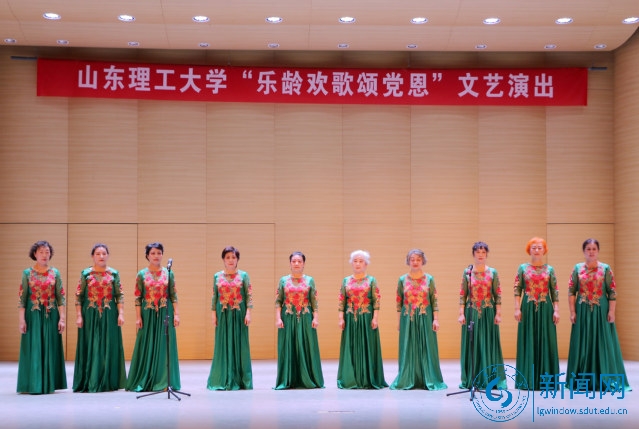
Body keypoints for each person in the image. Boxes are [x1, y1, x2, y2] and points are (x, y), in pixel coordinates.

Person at [566, 238, 631, 391]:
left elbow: (612, 292)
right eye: (588, 249)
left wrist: (612, 311)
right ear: (584, 251)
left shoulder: (605, 269)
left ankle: (606, 378)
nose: (591, 252)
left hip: (601, 311)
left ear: (598, 251)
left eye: (594, 249)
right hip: (582, 311)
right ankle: (581, 379)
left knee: (604, 342)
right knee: (582, 343)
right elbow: (571, 291)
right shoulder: (577, 269)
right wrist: (572, 312)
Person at [126, 242, 181, 392]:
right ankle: (146, 378)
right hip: (148, 313)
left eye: (159, 253)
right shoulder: (141, 274)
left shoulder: (168, 273)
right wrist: (138, 317)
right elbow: (138, 297)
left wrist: (177, 314)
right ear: (147, 256)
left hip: (165, 312)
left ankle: (163, 381)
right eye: (153, 253)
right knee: (147, 344)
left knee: (164, 346)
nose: (156, 256)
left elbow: (173, 295)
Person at [73, 243, 126, 392]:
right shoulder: (85, 274)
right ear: (92, 256)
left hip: (110, 314)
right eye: (98, 254)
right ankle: (90, 379)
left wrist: (121, 313)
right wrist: (79, 316)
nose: (101, 256)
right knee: (92, 345)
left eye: (104, 253)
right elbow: (78, 296)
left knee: (109, 345)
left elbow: (119, 295)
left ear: (108, 255)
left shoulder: (114, 274)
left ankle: (109, 380)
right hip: (90, 314)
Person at [390, 249, 446, 390]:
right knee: (408, 347)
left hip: (425, 318)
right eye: (412, 259)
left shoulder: (429, 279)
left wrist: (436, 319)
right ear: (408, 261)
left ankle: (429, 378)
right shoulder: (402, 280)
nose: (415, 262)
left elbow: (434, 301)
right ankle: (408, 378)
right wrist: (399, 322)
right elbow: (399, 303)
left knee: (427, 348)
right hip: (407, 318)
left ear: (423, 261)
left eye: (418, 259)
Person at [17, 240, 67, 394]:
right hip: (33, 316)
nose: (44, 255)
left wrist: (62, 318)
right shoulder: (27, 273)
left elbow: (61, 297)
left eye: (47, 252)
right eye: (41, 252)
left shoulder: (55, 273)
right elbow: (22, 298)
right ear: (35, 254)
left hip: (51, 315)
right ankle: (33, 383)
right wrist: (22, 320)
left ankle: (49, 383)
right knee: (34, 348)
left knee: (50, 347)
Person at [458, 241, 506, 390]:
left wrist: (498, 313)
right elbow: (463, 294)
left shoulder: (493, 272)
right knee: (472, 345)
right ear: (473, 254)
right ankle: (472, 378)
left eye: (483, 252)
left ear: (486, 255)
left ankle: (489, 378)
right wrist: (461, 313)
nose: (480, 255)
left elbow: (497, 294)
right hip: (471, 311)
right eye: (478, 252)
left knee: (489, 344)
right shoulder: (467, 272)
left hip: (488, 312)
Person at [513, 237, 559, 390]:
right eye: (534, 248)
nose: (537, 250)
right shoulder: (523, 268)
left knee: (546, 340)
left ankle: (546, 380)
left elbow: (554, 291)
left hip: (546, 308)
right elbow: (517, 289)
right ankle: (527, 379)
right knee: (528, 340)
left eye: (540, 247)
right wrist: (517, 308)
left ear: (544, 250)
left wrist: (556, 310)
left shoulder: (550, 269)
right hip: (527, 308)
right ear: (529, 250)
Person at [337, 250, 387, 389]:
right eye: (355, 261)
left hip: (366, 318)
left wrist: (375, 318)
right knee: (351, 346)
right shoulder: (346, 281)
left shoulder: (371, 280)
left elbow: (376, 301)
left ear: (366, 264)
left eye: (361, 261)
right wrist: (341, 318)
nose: (358, 264)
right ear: (351, 263)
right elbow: (341, 300)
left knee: (367, 347)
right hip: (350, 318)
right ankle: (350, 378)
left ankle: (368, 378)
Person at [274, 251, 324, 389]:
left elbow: (314, 301)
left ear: (303, 264)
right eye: (294, 261)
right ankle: (289, 379)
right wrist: (278, 318)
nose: (296, 263)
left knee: (306, 346)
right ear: (290, 263)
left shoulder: (310, 280)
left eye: (299, 261)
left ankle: (308, 378)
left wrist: (316, 318)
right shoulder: (283, 280)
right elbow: (278, 301)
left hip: (305, 317)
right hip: (287, 318)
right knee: (288, 347)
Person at [207, 246, 253, 390]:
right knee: (222, 344)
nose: (231, 260)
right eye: (228, 257)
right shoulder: (217, 276)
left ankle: (240, 379)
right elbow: (214, 296)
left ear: (237, 259)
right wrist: (213, 314)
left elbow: (249, 295)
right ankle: (222, 378)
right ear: (223, 259)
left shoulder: (244, 276)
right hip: (222, 313)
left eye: (233, 257)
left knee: (240, 345)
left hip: (239, 313)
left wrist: (248, 313)